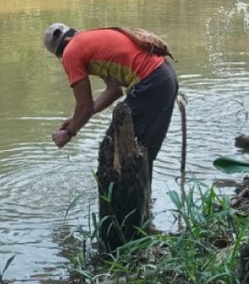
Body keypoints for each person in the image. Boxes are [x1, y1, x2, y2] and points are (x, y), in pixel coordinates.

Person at [42, 24, 178, 180]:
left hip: (150, 82)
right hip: (166, 77)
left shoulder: (70, 54)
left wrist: (68, 133)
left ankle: (122, 202)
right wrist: (76, 119)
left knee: (114, 150)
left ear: (58, 55)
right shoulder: (89, 40)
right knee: (143, 151)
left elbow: (84, 106)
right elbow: (114, 90)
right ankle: (144, 201)